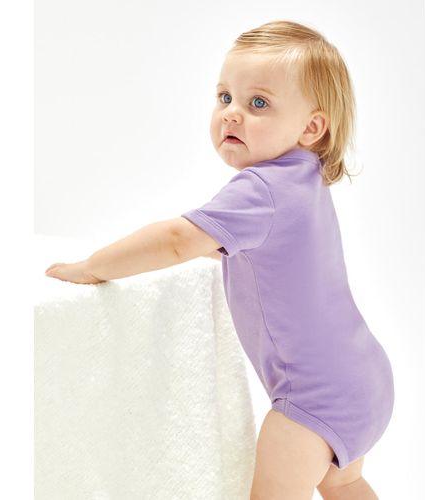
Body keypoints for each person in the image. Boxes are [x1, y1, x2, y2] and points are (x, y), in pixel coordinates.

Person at [45, 20, 394, 500]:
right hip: (365, 377)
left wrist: (91, 267)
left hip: (312, 399)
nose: (231, 114)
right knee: (344, 482)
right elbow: (272, 255)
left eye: (258, 103)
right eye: (225, 97)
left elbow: (175, 240)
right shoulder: (305, 178)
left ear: (311, 127)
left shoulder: (262, 189)